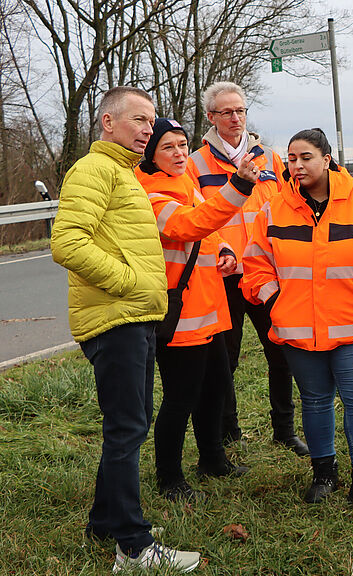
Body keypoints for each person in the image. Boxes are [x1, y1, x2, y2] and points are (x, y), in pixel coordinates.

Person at [51, 88, 200, 573]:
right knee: (128, 427)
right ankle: (133, 547)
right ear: (107, 122)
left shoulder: (124, 173)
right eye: (138, 119)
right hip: (117, 317)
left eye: (150, 121)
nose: (147, 129)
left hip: (131, 318)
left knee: (130, 424)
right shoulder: (94, 170)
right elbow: (68, 243)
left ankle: (107, 522)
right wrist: (130, 283)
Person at [242, 129, 353, 512]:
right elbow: (255, 265)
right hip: (297, 329)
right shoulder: (272, 209)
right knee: (314, 403)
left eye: (306, 158)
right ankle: (323, 474)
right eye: (291, 159)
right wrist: (275, 300)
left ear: (327, 159)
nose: (296, 166)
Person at [135, 118, 260, 501]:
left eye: (182, 144)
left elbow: (210, 227)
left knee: (215, 389)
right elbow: (190, 225)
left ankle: (213, 460)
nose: (178, 153)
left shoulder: (186, 183)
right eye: (168, 147)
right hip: (181, 317)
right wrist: (238, 185)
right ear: (151, 154)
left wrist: (224, 247)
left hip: (209, 310)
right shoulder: (151, 193)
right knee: (180, 398)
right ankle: (169, 479)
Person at [187, 81, 307, 454]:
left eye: (240, 110)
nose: (235, 118)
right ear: (211, 117)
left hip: (265, 272)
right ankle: (227, 430)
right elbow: (195, 218)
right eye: (227, 112)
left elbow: (289, 205)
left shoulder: (269, 158)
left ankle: (284, 430)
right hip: (222, 275)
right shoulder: (195, 164)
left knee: (282, 351)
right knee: (225, 359)